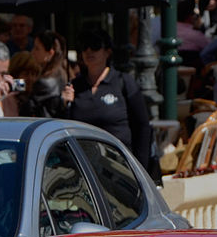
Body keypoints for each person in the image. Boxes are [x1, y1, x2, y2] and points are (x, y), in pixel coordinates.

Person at [63, 28, 152, 170]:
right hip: (85, 167)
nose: (89, 51)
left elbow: (142, 126)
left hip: (120, 165)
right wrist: (65, 104)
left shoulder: (123, 82)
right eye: (85, 47)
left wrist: (140, 167)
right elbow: (67, 127)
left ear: (107, 52)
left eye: (95, 46)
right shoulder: (74, 86)